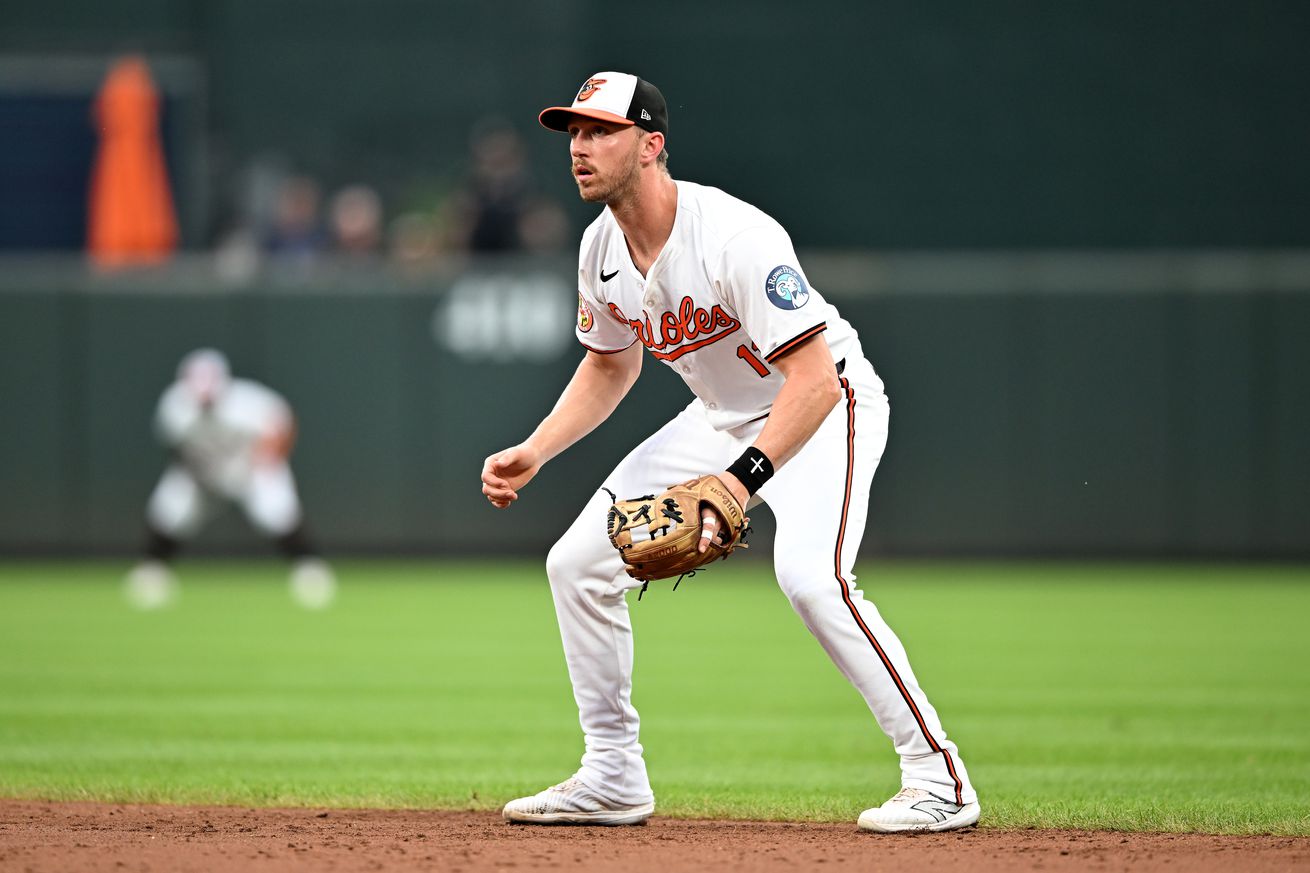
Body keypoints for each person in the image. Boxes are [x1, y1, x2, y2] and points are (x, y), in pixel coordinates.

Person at [481, 72, 979, 833]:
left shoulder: (734, 237)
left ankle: (938, 776)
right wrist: (537, 448)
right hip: (717, 418)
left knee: (813, 579)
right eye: (573, 133)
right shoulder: (600, 248)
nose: (580, 147)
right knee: (575, 564)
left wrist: (743, 481)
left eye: (600, 131)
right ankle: (612, 773)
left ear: (651, 146)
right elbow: (611, 362)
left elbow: (811, 379)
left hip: (824, 408)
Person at [126, 349, 336, 610]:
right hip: (203, 473)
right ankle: (152, 571)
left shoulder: (249, 401)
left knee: (276, 509)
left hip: (249, 470)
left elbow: (283, 422)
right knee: (171, 506)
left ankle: (309, 570)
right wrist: (200, 474)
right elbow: (175, 449)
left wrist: (271, 455)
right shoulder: (174, 406)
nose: (205, 397)